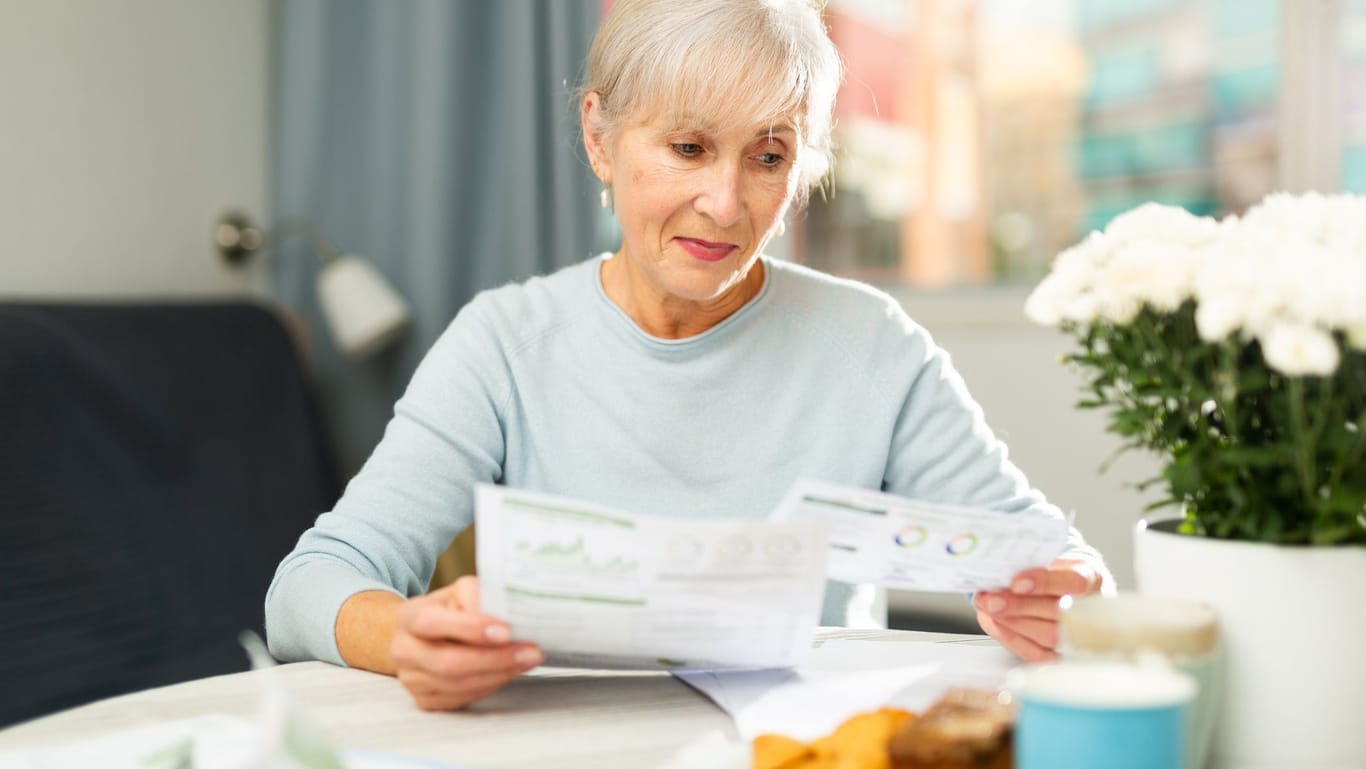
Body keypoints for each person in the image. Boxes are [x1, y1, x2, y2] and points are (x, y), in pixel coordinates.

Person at [265, 0, 1112, 712]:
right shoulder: (505, 342)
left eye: (768, 156)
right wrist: (405, 635)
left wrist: (1066, 594)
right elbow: (307, 588)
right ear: (600, 138)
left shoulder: (873, 345)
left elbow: (1057, 557)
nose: (725, 202)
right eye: (689, 147)